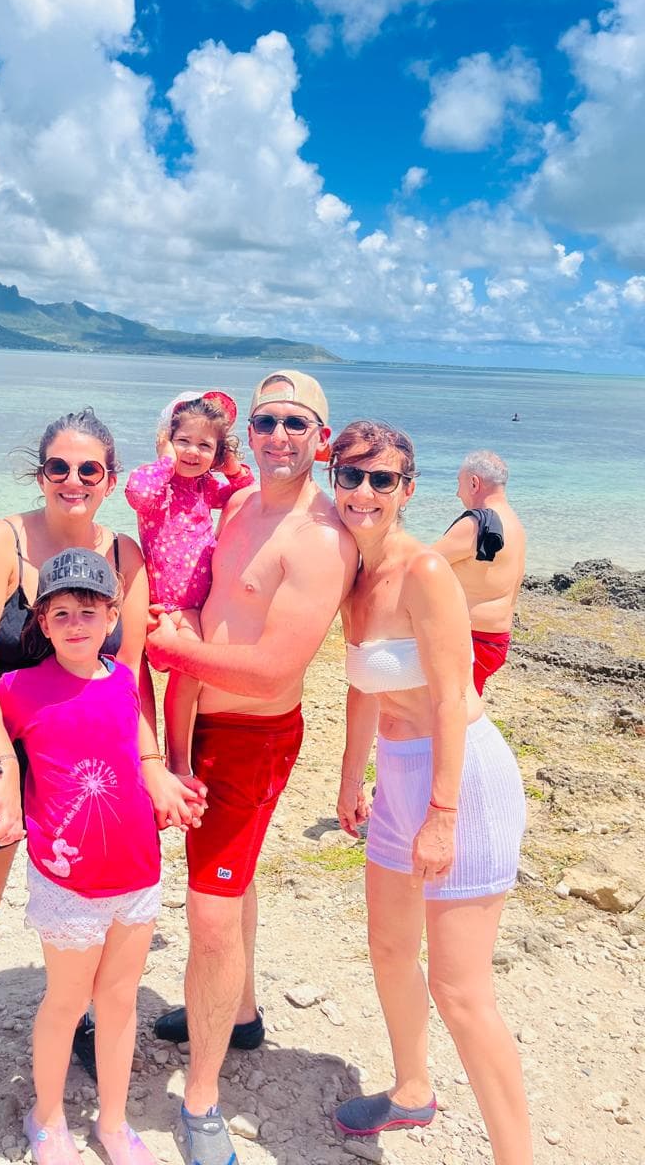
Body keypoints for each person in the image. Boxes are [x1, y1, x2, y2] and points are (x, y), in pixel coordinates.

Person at [0, 408, 204, 1149]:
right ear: (40, 473)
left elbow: (133, 676)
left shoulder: (127, 555)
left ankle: (83, 1025)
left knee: (87, 903)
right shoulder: (1, 540)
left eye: (90, 470)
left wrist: (156, 766)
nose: (73, 482)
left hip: (84, 767)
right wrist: (0, 766)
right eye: (59, 468)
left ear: (112, 479)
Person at [146, 370, 358, 1165]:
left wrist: (169, 647)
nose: (277, 436)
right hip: (198, 722)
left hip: (254, 742)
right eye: (266, 420)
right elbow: (207, 600)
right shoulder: (235, 504)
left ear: (320, 440)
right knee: (227, 890)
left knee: (208, 915)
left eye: (295, 424)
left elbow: (272, 668)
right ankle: (240, 1014)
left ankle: (201, 1102)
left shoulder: (323, 537)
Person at [330, 420, 531, 1165]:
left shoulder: (424, 573)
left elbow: (451, 699)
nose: (364, 492)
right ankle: (413, 1090)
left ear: (408, 491)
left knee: (461, 989)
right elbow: (361, 678)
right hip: (398, 773)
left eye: (382, 479)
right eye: (351, 476)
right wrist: (353, 772)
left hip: (462, 778)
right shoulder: (353, 571)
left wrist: (442, 816)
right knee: (388, 947)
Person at [0, 547, 161, 1165]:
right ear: (42, 623)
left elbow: (135, 743)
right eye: (63, 612)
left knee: (121, 999)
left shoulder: (124, 680)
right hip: (67, 880)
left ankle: (114, 1121)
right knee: (68, 1002)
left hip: (137, 872)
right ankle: (46, 1117)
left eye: (91, 611)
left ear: (110, 618)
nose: (78, 623)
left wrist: (162, 780)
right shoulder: (16, 689)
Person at [125, 390, 254, 767]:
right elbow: (137, 492)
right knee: (149, 676)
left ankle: (178, 760)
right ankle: (146, 755)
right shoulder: (157, 486)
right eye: (184, 441)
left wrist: (229, 464)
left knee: (190, 677)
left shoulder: (205, 486)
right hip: (160, 605)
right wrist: (167, 460)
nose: (193, 453)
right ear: (165, 441)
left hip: (198, 605)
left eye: (205, 445)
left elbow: (244, 491)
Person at [433, 450, 526, 694]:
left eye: (459, 484)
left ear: (474, 483)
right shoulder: (514, 524)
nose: (457, 493)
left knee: (447, 714)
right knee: (464, 712)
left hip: (471, 639)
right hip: (496, 639)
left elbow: (422, 565)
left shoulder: (478, 524)